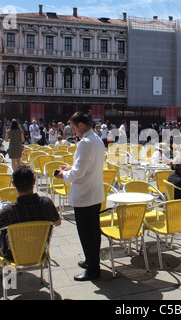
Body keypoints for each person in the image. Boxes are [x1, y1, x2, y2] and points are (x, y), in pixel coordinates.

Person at [55, 111, 105, 281]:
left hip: (85, 195)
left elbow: (79, 172)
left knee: (87, 234)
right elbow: (87, 166)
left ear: (81, 125)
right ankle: (91, 261)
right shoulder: (96, 139)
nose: (73, 132)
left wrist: (64, 175)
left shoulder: (85, 143)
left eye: (74, 128)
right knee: (93, 232)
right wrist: (71, 167)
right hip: (94, 193)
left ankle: (92, 269)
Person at [0, 165, 61, 260]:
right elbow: (58, 222)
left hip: (13, 255)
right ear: (34, 181)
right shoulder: (47, 203)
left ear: (13, 184)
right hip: (39, 252)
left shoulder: (10, 210)